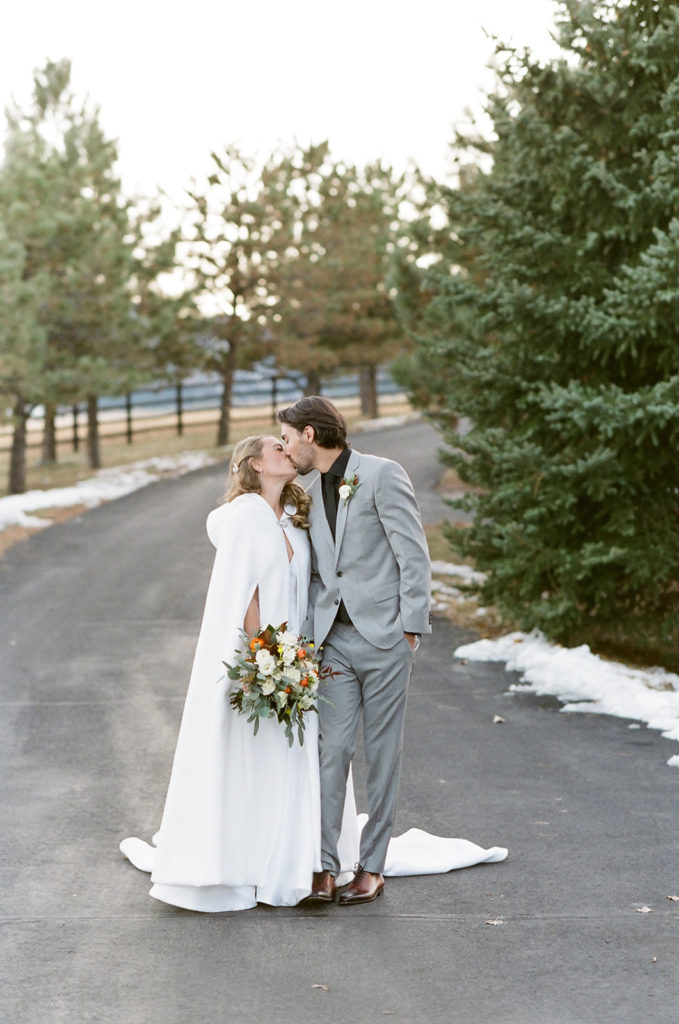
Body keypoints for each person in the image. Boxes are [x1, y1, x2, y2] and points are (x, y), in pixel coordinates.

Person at [119, 434, 359, 911]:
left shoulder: (292, 519)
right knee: (254, 750)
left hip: (295, 654)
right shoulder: (243, 514)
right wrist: (265, 651)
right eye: (276, 448)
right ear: (253, 464)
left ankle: (300, 856)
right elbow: (244, 587)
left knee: (296, 751)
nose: (286, 452)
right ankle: (247, 861)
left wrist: (301, 654)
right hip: (260, 653)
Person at [278, 396, 432, 905]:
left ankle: (373, 865)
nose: (285, 447)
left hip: (386, 638)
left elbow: (413, 553)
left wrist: (411, 627)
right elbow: (319, 571)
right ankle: (324, 866)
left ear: (310, 435)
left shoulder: (382, 474)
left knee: (383, 753)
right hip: (333, 642)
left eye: (287, 437)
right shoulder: (304, 492)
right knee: (331, 750)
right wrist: (304, 638)